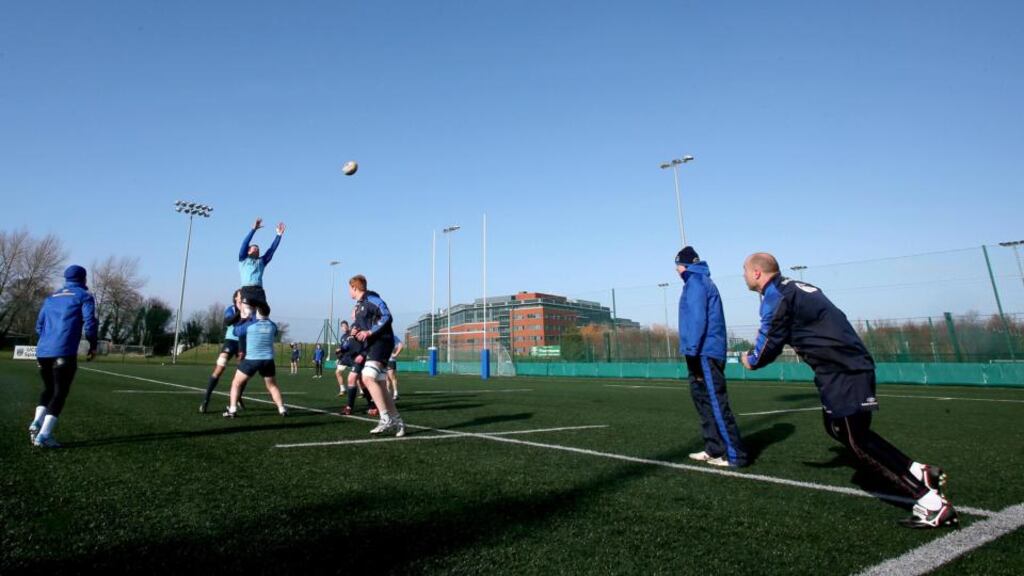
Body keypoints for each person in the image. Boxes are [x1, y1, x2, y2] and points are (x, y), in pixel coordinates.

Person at [739, 252, 956, 529]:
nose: (743, 275)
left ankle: (932, 504)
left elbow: (769, 342)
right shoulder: (793, 288)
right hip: (838, 368)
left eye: (745, 270)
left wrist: (751, 360)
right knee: (837, 428)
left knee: (857, 441)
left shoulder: (776, 295)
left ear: (757, 273)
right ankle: (919, 471)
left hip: (844, 368)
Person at [676, 247, 747, 468]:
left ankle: (735, 455)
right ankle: (714, 448)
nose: (675, 270)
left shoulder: (696, 282)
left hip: (704, 352)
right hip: (702, 351)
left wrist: (692, 352)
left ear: (683, 265)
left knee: (715, 402)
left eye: (677, 265)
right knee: (704, 401)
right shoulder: (698, 281)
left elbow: (697, 319)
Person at [28, 265, 98, 448]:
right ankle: (44, 435)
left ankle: (36, 422)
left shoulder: (50, 298)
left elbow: (39, 326)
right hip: (64, 351)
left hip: (43, 352)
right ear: (83, 279)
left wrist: (46, 342)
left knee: (48, 389)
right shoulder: (84, 296)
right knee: (60, 392)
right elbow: (90, 322)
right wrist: (92, 344)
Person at [350, 274, 405, 436]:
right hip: (373, 345)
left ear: (354, 287)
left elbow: (387, 316)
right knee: (380, 384)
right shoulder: (359, 306)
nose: (349, 292)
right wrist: (356, 331)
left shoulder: (372, 298)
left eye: (349, 288)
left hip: (382, 342)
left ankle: (385, 418)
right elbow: (362, 327)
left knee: (367, 377)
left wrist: (369, 332)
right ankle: (398, 421)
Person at [223, 306, 287, 418]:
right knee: (272, 386)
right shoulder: (273, 326)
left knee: (236, 383)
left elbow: (235, 332)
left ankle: (232, 410)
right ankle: (282, 409)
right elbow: (275, 331)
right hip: (268, 360)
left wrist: (245, 318)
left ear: (256, 313)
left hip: (252, 360)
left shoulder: (250, 325)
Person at [200, 290, 245, 413]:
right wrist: (240, 312)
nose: (243, 295)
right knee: (220, 367)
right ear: (236, 297)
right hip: (230, 341)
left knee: (243, 374)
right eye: (241, 294)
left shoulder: (249, 309)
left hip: (243, 342)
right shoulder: (231, 309)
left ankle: (238, 397)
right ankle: (205, 400)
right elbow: (227, 321)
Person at [238, 217, 284, 316]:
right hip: (247, 290)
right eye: (253, 249)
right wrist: (253, 230)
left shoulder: (262, 262)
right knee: (247, 315)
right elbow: (245, 243)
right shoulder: (243, 259)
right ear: (248, 251)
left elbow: (271, 250)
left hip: (259, 291)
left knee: (263, 315)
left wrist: (278, 235)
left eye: (258, 250)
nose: (256, 250)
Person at [386, 335, 404, 401]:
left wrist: (396, 354)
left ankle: (395, 394)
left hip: (390, 360)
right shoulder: (380, 335)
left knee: (392, 377)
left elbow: (401, 345)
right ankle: (388, 394)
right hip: (383, 360)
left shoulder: (392, 336)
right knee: (386, 378)